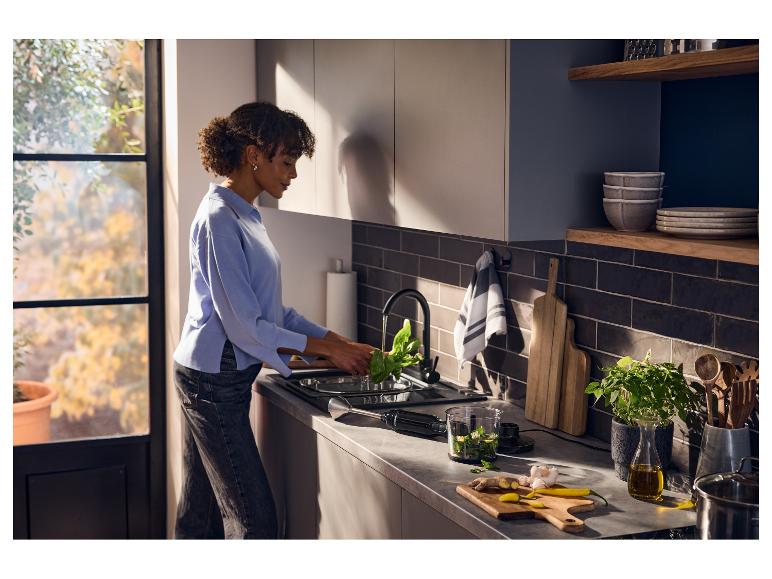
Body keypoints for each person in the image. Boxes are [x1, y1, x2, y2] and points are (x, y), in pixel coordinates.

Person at [172, 102, 374, 539]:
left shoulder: (246, 215)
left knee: (201, 516)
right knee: (254, 520)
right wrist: (326, 349)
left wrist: (336, 340)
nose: (293, 174)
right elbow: (245, 326)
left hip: (215, 375)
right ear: (253, 156)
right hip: (213, 380)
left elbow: (273, 313)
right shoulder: (219, 220)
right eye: (287, 161)